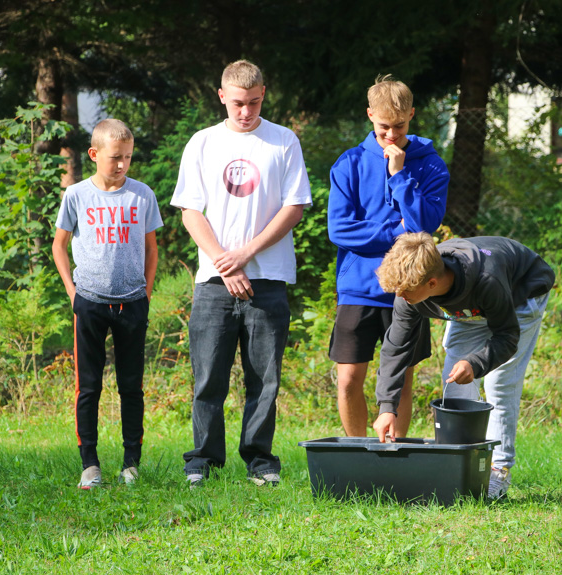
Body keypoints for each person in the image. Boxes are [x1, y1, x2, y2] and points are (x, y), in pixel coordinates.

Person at [171, 60, 312, 488]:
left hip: (267, 277)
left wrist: (247, 253)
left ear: (263, 95)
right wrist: (222, 261)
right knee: (208, 376)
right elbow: (190, 211)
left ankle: (260, 460)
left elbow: (295, 206)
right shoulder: (202, 142)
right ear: (221, 97)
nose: (245, 112)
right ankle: (202, 461)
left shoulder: (283, 141)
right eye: (237, 103)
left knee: (263, 378)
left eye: (253, 103)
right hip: (214, 282)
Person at [371, 232, 554, 499]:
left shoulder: (487, 280)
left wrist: (476, 363)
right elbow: (395, 349)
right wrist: (387, 407)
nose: (400, 296)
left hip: (519, 296)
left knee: (498, 383)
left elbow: (507, 336)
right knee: (454, 382)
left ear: (432, 283)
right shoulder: (410, 290)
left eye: (405, 292)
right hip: (469, 305)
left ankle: (498, 471)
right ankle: (463, 470)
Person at [327, 75, 448, 438]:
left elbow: (425, 226)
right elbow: (340, 230)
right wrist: (397, 233)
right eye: (384, 127)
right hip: (358, 288)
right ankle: (358, 455)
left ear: (412, 115)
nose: (391, 135)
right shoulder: (348, 164)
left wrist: (399, 176)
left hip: (408, 291)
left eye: (399, 126)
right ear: (369, 116)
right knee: (348, 379)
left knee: (402, 381)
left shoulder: (430, 166)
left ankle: (394, 457)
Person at [52, 119, 163, 489]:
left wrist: (145, 293)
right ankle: (90, 465)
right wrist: (73, 292)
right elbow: (59, 245)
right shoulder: (77, 195)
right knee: (89, 386)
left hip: (132, 304)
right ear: (94, 154)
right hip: (91, 303)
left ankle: (131, 463)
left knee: (131, 386)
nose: (122, 165)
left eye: (128, 157)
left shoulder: (142, 195)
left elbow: (151, 249)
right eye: (115, 157)